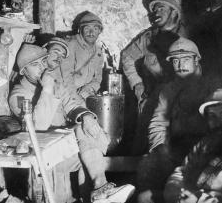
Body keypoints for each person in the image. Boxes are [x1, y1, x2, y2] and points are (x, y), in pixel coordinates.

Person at [9, 43, 135, 203]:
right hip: (44, 154)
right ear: (23, 70)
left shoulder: (53, 84)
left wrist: (86, 116)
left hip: (64, 148)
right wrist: (47, 90)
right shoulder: (18, 95)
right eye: (34, 65)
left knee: (85, 134)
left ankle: (100, 188)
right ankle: (101, 192)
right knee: (88, 152)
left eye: (42, 62)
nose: (41, 68)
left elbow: (72, 104)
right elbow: (37, 128)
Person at [137, 37, 222, 203]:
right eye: (176, 61)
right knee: (148, 167)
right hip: (176, 150)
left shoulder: (214, 86)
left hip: (206, 150)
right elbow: (158, 123)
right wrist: (159, 147)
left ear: (196, 60)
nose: (181, 65)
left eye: (186, 59)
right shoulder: (168, 90)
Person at [121, 0, 186, 154]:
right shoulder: (148, 37)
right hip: (152, 98)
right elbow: (127, 56)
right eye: (154, 10)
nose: (155, 13)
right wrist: (137, 83)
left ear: (174, 12)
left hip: (181, 100)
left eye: (161, 9)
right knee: (144, 147)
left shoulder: (188, 35)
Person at [60, 11, 104, 100]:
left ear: (99, 31)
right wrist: (75, 98)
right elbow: (65, 77)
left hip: (84, 96)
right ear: (80, 30)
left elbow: (97, 80)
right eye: (87, 28)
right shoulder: (70, 45)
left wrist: (86, 92)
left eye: (95, 29)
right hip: (66, 96)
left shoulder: (98, 52)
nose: (91, 32)